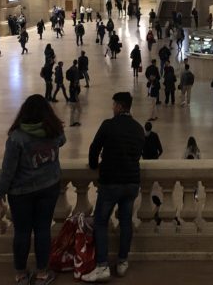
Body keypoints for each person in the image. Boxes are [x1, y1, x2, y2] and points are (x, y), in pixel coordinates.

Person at [0, 95, 65, 285]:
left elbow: (8, 170)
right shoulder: (54, 130)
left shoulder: (17, 137)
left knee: (22, 232)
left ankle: (21, 274)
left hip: (21, 192)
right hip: (49, 186)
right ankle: (41, 273)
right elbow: (62, 140)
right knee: (42, 230)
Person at [84, 92, 145, 282]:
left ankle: (102, 266)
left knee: (101, 222)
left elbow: (94, 149)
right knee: (126, 221)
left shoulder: (108, 125)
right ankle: (122, 262)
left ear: (119, 106)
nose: (112, 108)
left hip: (111, 182)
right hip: (132, 182)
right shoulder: (138, 128)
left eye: (114, 105)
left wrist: (94, 165)